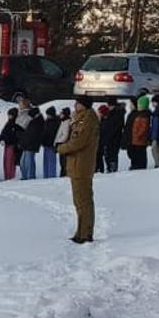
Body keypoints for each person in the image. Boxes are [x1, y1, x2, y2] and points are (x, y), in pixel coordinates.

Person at [55, 97, 101, 243]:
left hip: (82, 165)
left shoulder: (88, 120)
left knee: (84, 200)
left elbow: (78, 142)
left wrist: (62, 148)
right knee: (79, 201)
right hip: (76, 165)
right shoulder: (79, 118)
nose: (75, 105)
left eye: (78, 103)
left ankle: (85, 233)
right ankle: (80, 231)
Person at [16, 106, 42, 180]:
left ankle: (30, 176)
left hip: (31, 145)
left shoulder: (38, 122)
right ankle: (25, 176)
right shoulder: (33, 121)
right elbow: (27, 133)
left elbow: (32, 135)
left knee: (29, 162)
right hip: (26, 144)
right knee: (23, 162)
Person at [126, 96, 151, 171]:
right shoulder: (139, 114)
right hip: (135, 139)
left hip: (139, 140)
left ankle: (139, 167)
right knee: (135, 154)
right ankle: (135, 165)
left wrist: (138, 135)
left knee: (140, 154)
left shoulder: (143, 115)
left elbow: (143, 128)